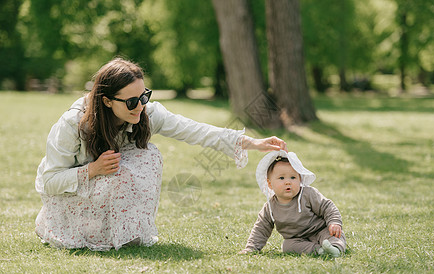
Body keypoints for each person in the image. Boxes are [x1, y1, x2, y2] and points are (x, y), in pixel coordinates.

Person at [35, 57, 287, 251]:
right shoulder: (73, 124)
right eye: (131, 101)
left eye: (144, 96)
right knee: (120, 172)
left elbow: (195, 130)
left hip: (106, 184)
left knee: (148, 157)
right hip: (71, 194)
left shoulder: (145, 113)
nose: (140, 106)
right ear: (107, 101)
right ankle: (92, 233)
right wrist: (92, 170)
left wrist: (251, 142)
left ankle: (127, 233)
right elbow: (49, 181)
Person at [239, 150, 346, 257]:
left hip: (320, 230)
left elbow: (327, 206)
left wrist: (334, 222)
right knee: (287, 246)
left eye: (293, 177)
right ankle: (320, 251)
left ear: (300, 179)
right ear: (270, 184)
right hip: (297, 239)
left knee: (333, 235)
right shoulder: (270, 207)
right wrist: (251, 248)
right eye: (281, 178)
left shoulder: (308, 194)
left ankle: (335, 249)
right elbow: (261, 229)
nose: (288, 182)